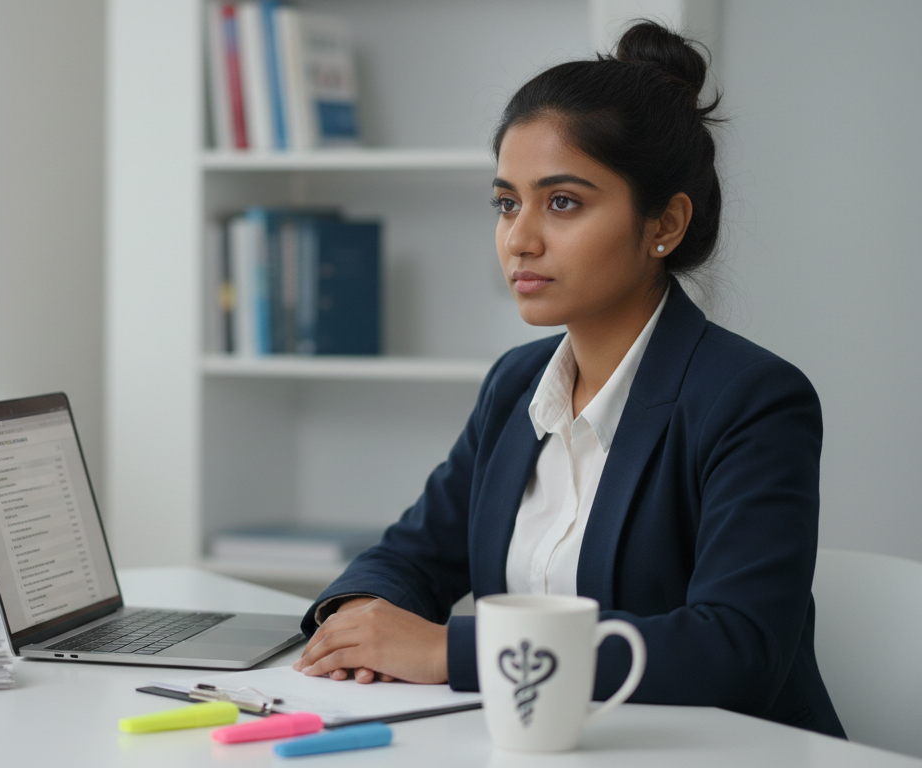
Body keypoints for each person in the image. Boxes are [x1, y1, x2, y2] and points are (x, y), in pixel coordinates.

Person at [290, 20, 845, 738]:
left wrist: (446, 650)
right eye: (505, 202)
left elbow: (733, 649)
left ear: (665, 224)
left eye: (562, 203)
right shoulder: (517, 384)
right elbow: (413, 554)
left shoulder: (753, 399)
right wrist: (354, 619)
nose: (520, 237)